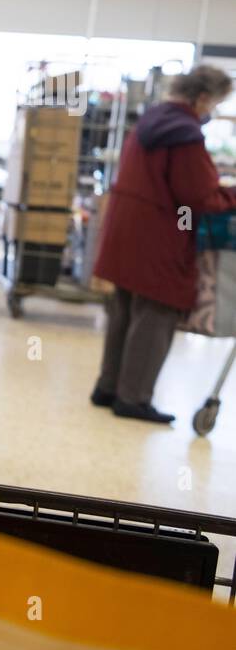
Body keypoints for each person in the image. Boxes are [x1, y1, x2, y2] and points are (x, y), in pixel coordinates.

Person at [92, 65, 236, 423]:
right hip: (160, 231)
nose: (213, 109)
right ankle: (133, 397)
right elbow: (197, 195)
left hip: (126, 226)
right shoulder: (185, 134)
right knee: (157, 312)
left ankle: (108, 387)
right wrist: (231, 195)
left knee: (123, 307)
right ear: (202, 97)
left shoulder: (152, 121)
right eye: (215, 102)